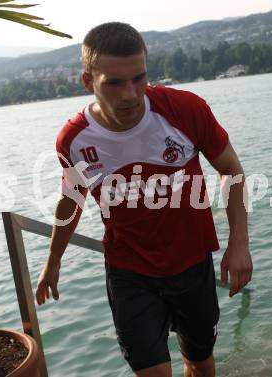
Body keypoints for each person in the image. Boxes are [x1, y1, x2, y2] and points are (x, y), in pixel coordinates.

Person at [36, 22, 253, 377]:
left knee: (200, 365)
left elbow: (231, 169)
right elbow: (71, 199)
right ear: (88, 82)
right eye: (115, 83)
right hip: (129, 271)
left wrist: (239, 244)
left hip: (191, 263)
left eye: (139, 78)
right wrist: (53, 259)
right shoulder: (74, 140)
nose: (131, 94)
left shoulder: (185, 110)